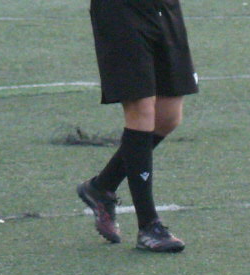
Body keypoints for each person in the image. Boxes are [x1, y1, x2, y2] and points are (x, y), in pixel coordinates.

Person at [77, 0, 199, 252]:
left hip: (163, 9)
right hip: (121, 11)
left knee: (168, 117)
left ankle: (102, 187)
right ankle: (148, 226)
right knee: (141, 109)